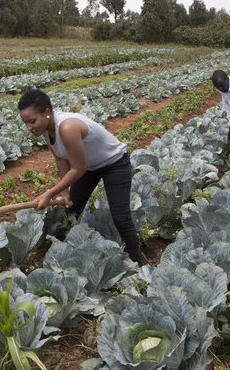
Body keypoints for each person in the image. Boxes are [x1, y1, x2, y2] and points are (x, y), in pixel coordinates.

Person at [17, 88, 143, 264]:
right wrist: (66, 192)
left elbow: (78, 168)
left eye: (31, 121)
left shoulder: (67, 127)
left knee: (120, 218)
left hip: (114, 163)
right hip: (90, 166)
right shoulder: (46, 129)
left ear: (46, 112)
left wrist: (49, 193)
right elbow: (61, 159)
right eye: (26, 123)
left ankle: (137, 261)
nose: (29, 127)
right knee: (71, 209)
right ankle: (55, 252)